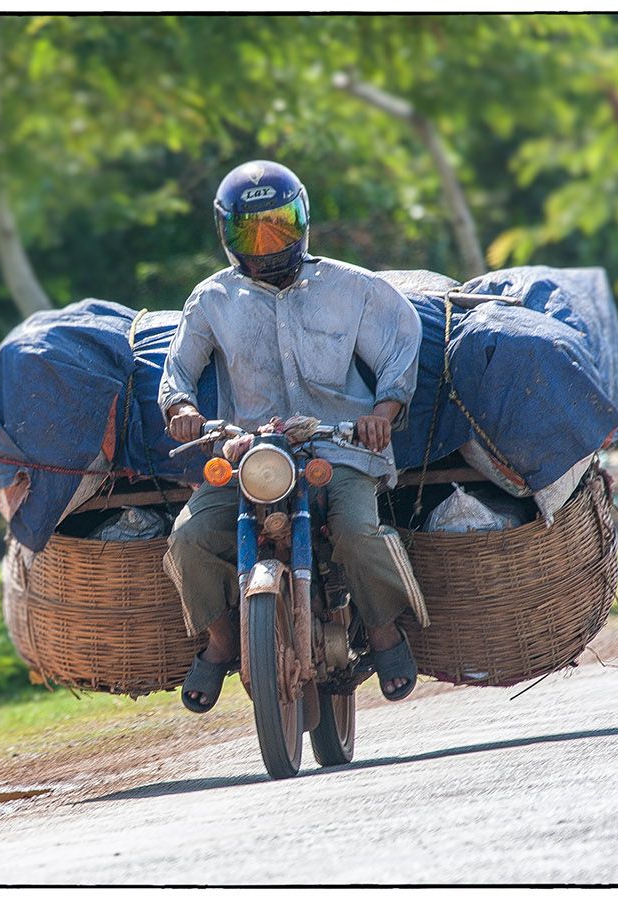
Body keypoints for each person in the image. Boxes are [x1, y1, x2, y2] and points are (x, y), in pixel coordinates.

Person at [158, 159, 427, 713]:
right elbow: (177, 372)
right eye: (250, 233)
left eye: (278, 227)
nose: (267, 245)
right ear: (226, 234)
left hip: (339, 449)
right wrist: (181, 409)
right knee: (189, 538)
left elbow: (402, 342)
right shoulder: (212, 299)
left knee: (355, 530)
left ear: (302, 220)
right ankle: (221, 640)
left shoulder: (353, 288)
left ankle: (383, 631)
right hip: (250, 455)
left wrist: (383, 410)